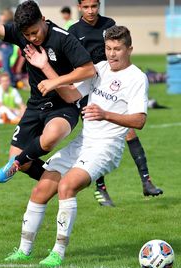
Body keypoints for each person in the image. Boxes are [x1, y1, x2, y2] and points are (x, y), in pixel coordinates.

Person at [3, 25, 148, 268]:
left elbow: (140, 120)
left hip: (107, 147)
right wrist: (45, 68)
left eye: (118, 49)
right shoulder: (100, 68)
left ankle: (57, 253)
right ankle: (24, 250)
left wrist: (105, 114)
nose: (112, 54)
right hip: (84, 142)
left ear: (129, 49)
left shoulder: (137, 78)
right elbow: (71, 96)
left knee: (67, 186)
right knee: (42, 189)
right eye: (108, 48)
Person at [0, 0, 95, 183]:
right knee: (22, 160)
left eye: (35, 32)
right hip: (35, 105)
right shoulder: (20, 34)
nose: (32, 38)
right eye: (27, 35)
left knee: (51, 136)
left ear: (43, 19)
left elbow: (88, 70)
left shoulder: (63, 38)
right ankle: (60, 184)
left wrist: (55, 81)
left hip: (63, 105)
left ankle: (21, 164)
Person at [68, 0, 163, 206]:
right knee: (97, 140)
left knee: (129, 129)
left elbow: (117, 44)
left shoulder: (109, 23)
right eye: (86, 7)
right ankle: (101, 190)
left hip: (115, 83)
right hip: (92, 86)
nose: (91, 11)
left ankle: (146, 181)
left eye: (94, 6)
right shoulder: (75, 30)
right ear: (79, 7)